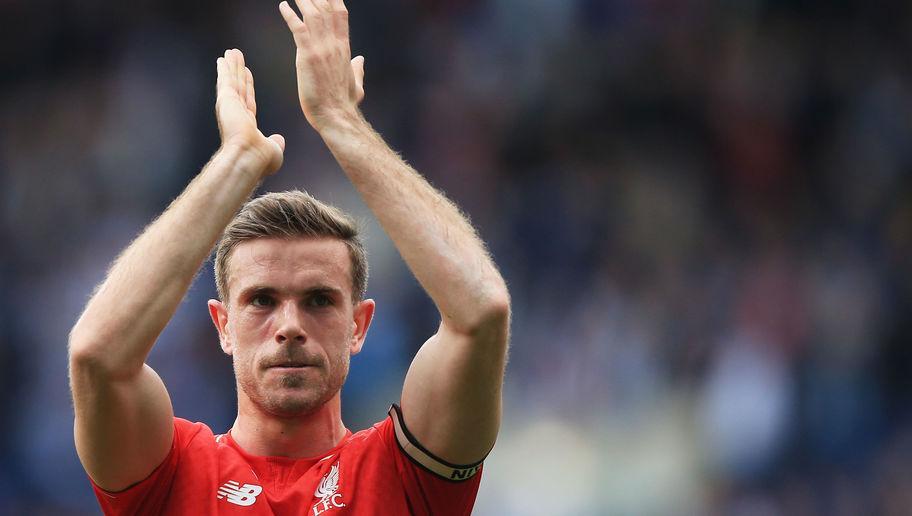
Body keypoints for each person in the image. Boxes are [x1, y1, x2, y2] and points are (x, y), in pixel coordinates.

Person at [67, 0, 511, 514]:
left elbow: (481, 311)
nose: (290, 325)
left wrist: (342, 122)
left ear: (359, 325)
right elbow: (96, 357)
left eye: (320, 300)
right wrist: (235, 164)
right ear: (223, 325)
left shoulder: (402, 471)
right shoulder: (173, 474)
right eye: (261, 300)